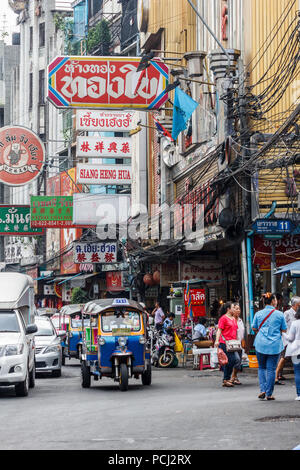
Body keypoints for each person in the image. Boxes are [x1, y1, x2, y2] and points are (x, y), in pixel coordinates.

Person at [252, 293, 287, 401]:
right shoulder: (280, 314)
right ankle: (269, 394)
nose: (276, 301)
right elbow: (284, 330)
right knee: (271, 370)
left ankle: (262, 389)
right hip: (274, 345)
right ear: (273, 301)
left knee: (261, 368)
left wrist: (261, 332)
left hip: (260, 344)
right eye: (275, 299)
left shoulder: (258, 314)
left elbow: (254, 327)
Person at [215, 302, 241, 388]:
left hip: (233, 343)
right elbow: (219, 330)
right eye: (233, 307)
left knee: (235, 359)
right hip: (225, 343)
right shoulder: (223, 318)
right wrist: (217, 340)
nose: (234, 309)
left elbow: (235, 331)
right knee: (231, 360)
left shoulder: (233, 318)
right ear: (228, 309)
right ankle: (226, 379)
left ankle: (227, 378)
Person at [275, 296, 300, 384]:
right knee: (284, 358)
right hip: (288, 339)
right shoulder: (287, 313)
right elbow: (283, 327)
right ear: (296, 305)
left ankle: (279, 374)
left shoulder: (298, 313)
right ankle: (276, 375)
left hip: (296, 340)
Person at [283, 308, 300, 400]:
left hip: (297, 350)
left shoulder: (295, 323)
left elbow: (290, 338)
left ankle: (299, 394)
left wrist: (283, 334)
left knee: (298, 372)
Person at [230, 302, 245, 385]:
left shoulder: (240, 320)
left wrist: (243, 341)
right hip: (232, 344)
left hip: (239, 344)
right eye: (236, 309)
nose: (238, 310)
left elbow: (242, 332)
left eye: (239, 309)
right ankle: (232, 377)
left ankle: (235, 377)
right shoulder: (230, 320)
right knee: (236, 360)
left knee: (239, 362)